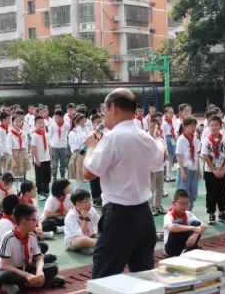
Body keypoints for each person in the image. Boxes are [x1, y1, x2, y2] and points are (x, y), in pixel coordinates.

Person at [83, 88, 158, 278]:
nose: (103, 115)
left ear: (113, 108)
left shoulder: (113, 137)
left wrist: (91, 147)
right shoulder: (145, 137)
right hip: (144, 214)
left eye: (104, 109)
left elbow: (89, 173)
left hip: (119, 216)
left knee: (103, 279)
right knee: (144, 278)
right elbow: (157, 165)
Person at [0, 202, 65, 294]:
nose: (36, 222)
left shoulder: (32, 235)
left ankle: (24, 284)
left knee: (53, 268)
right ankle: (36, 283)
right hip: (9, 270)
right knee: (4, 276)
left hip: (25, 268)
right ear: (24, 222)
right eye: (34, 220)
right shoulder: (8, 238)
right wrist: (26, 275)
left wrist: (39, 271)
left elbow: (39, 257)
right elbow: (5, 265)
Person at [201, 114, 225, 224]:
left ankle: (222, 213)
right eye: (211, 125)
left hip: (223, 171)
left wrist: (223, 169)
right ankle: (211, 213)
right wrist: (213, 170)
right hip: (210, 172)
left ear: (220, 126)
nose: (214, 127)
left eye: (216, 125)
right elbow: (205, 156)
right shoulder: (206, 141)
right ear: (208, 126)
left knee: (222, 193)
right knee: (211, 193)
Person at [163, 189, 206, 258]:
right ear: (174, 203)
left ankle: (188, 249)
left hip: (185, 244)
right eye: (182, 203)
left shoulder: (188, 214)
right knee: (178, 223)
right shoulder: (168, 216)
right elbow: (172, 228)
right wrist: (192, 228)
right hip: (171, 249)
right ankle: (187, 250)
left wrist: (195, 235)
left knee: (197, 223)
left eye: (187, 204)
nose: (185, 206)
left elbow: (204, 225)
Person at [62, 189, 99, 253]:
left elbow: (99, 224)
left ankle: (88, 247)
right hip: (74, 240)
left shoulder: (91, 209)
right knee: (83, 240)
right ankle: (103, 244)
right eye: (86, 201)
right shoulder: (70, 216)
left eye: (89, 200)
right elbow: (81, 235)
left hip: (91, 237)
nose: (89, 203)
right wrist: (85, 218)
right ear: (77, 204)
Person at [175, 115, 200, 203]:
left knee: (193, 193)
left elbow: (196, 155)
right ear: (184, 126)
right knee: (183, 192)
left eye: (195, 126)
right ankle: (182, 210)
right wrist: (182, 171)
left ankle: (189, 210)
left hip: (194, 169)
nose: (194, 128)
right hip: (185, 168)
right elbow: (179, 155)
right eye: (191, 126)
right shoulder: (181, 139)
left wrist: (198, 169)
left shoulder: (195, 138)